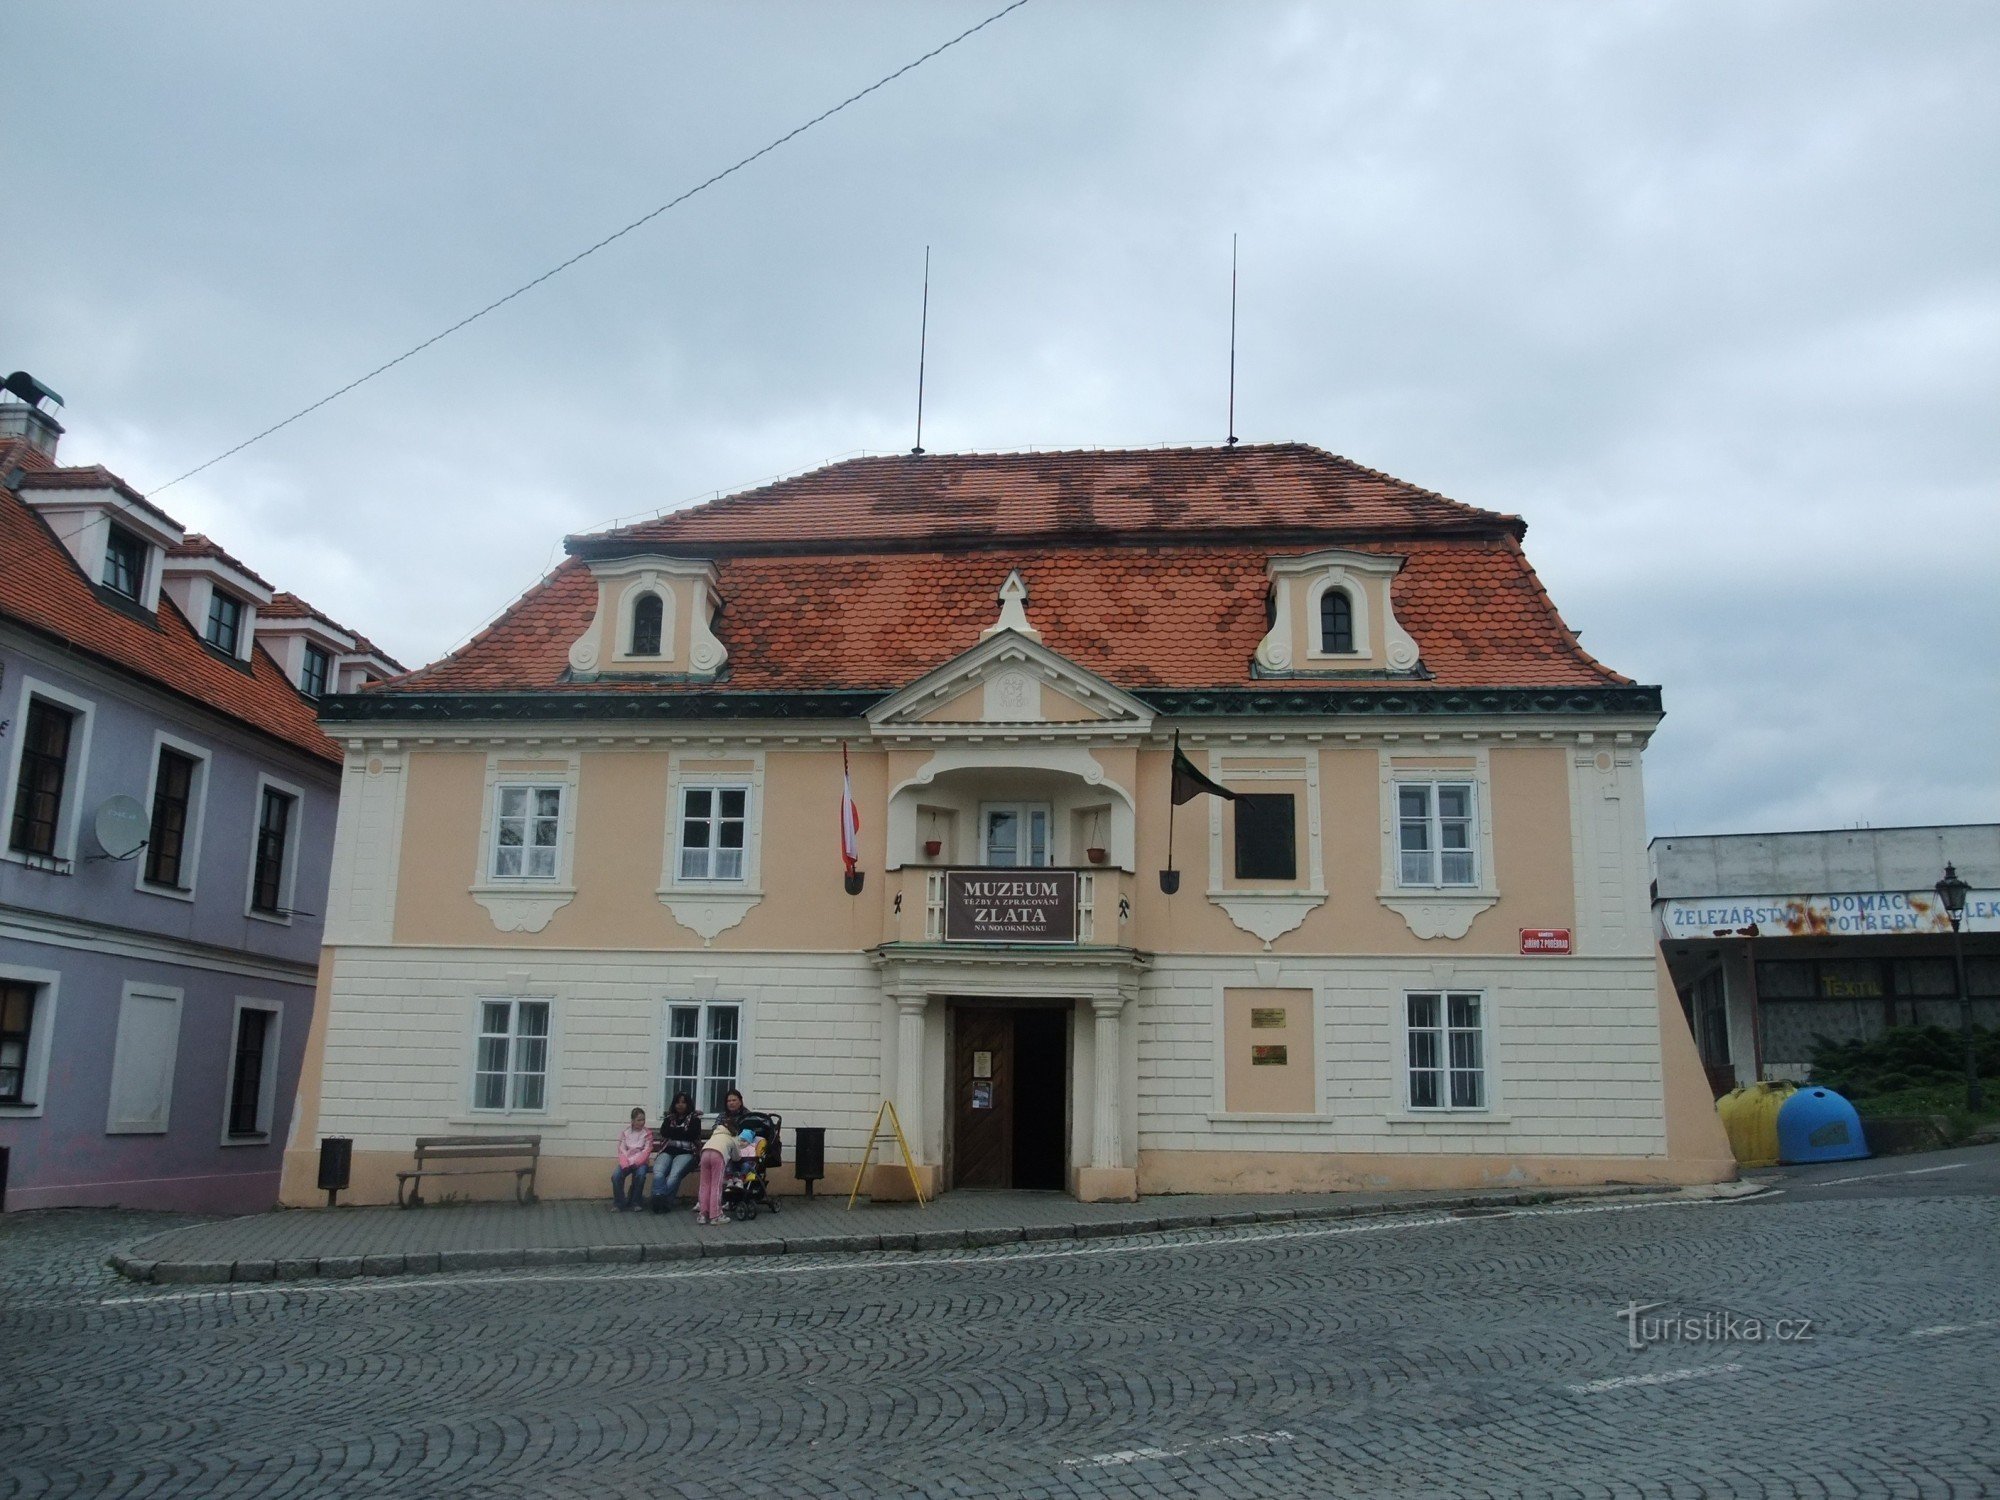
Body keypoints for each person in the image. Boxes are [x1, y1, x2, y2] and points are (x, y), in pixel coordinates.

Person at [648, 1091, 703, 1211]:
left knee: (674, 1174)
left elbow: (692, 1135)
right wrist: (682, 1132)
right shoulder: (669, 1118)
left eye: (683, 1102)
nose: (680, 1105)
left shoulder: (695, 1119)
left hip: (686, 1152)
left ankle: (661, 1202)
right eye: (678, 1102)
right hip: (667, 1151)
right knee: (658, 1171)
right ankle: (661, 1199)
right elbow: (665, 1132)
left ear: (688, 1104)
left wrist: (674, 1132)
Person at [695, 1120, 738, 1225]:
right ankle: (716, 1215)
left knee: (704, 1184)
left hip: (705, 1153)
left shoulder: (715, 1135)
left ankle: (702, 1215)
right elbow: (737, 1157)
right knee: (716, 1185)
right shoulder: (731, 1139)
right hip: (718, 1155)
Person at [611, 1107, 653, 1211]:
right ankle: (619, 1202)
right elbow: (621, 1148)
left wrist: (637, 1162)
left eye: (643, 1119)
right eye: (639, 1120)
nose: (642, 1122)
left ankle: (636, 1202)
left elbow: (647, 1150)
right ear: (633, 1121)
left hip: (641, 1161)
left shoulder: (647, 1133)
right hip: (626, 1161)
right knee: (616, 1176)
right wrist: (625, 1162)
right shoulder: (626, 1132)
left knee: (640, 1174)